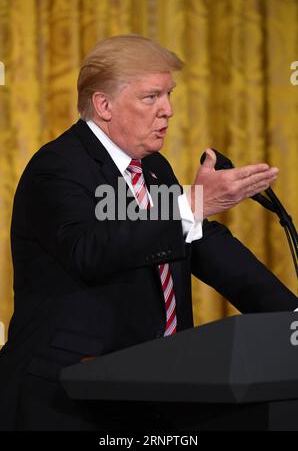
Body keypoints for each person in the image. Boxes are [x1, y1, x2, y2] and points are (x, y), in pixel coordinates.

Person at [0, 35, 296, 431]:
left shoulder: (154, 169)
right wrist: (193, 205)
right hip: (64, 398)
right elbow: (90, 250)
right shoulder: (57, 167)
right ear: (104, 105)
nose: (168, 111)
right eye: (151, 97)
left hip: (146, 389)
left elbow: (202, 243)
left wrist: (291, 320)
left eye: (169, 95)